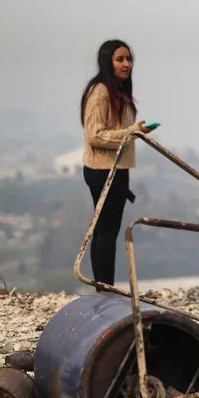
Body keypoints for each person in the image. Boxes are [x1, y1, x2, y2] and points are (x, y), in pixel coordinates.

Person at [80, 39, 154, 286]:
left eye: (128, 59)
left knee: (107, 231)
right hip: (103, 169)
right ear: (107, 62)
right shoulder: (100, 92)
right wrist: (131, 132)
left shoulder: (119, 92)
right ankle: (105, 288)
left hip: (118, 168)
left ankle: (104, 286)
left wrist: (136, 131)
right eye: (120, 59)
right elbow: (95, 135)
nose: (126, 64)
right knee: (106, 231)